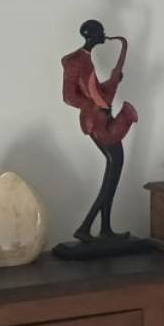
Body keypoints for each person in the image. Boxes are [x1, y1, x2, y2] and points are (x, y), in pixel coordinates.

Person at [61, 20, 138, 243]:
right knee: (113, 172)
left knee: (113, 171)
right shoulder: (75, 60)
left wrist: (112, 82)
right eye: (101, 31)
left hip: (102, 118)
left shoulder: (85, 58)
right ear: (93, 35)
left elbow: (91, 89)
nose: (104, 34)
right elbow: (69, 96)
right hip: (97, 122)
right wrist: (95, 105)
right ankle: (86, 227)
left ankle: (104, 229)